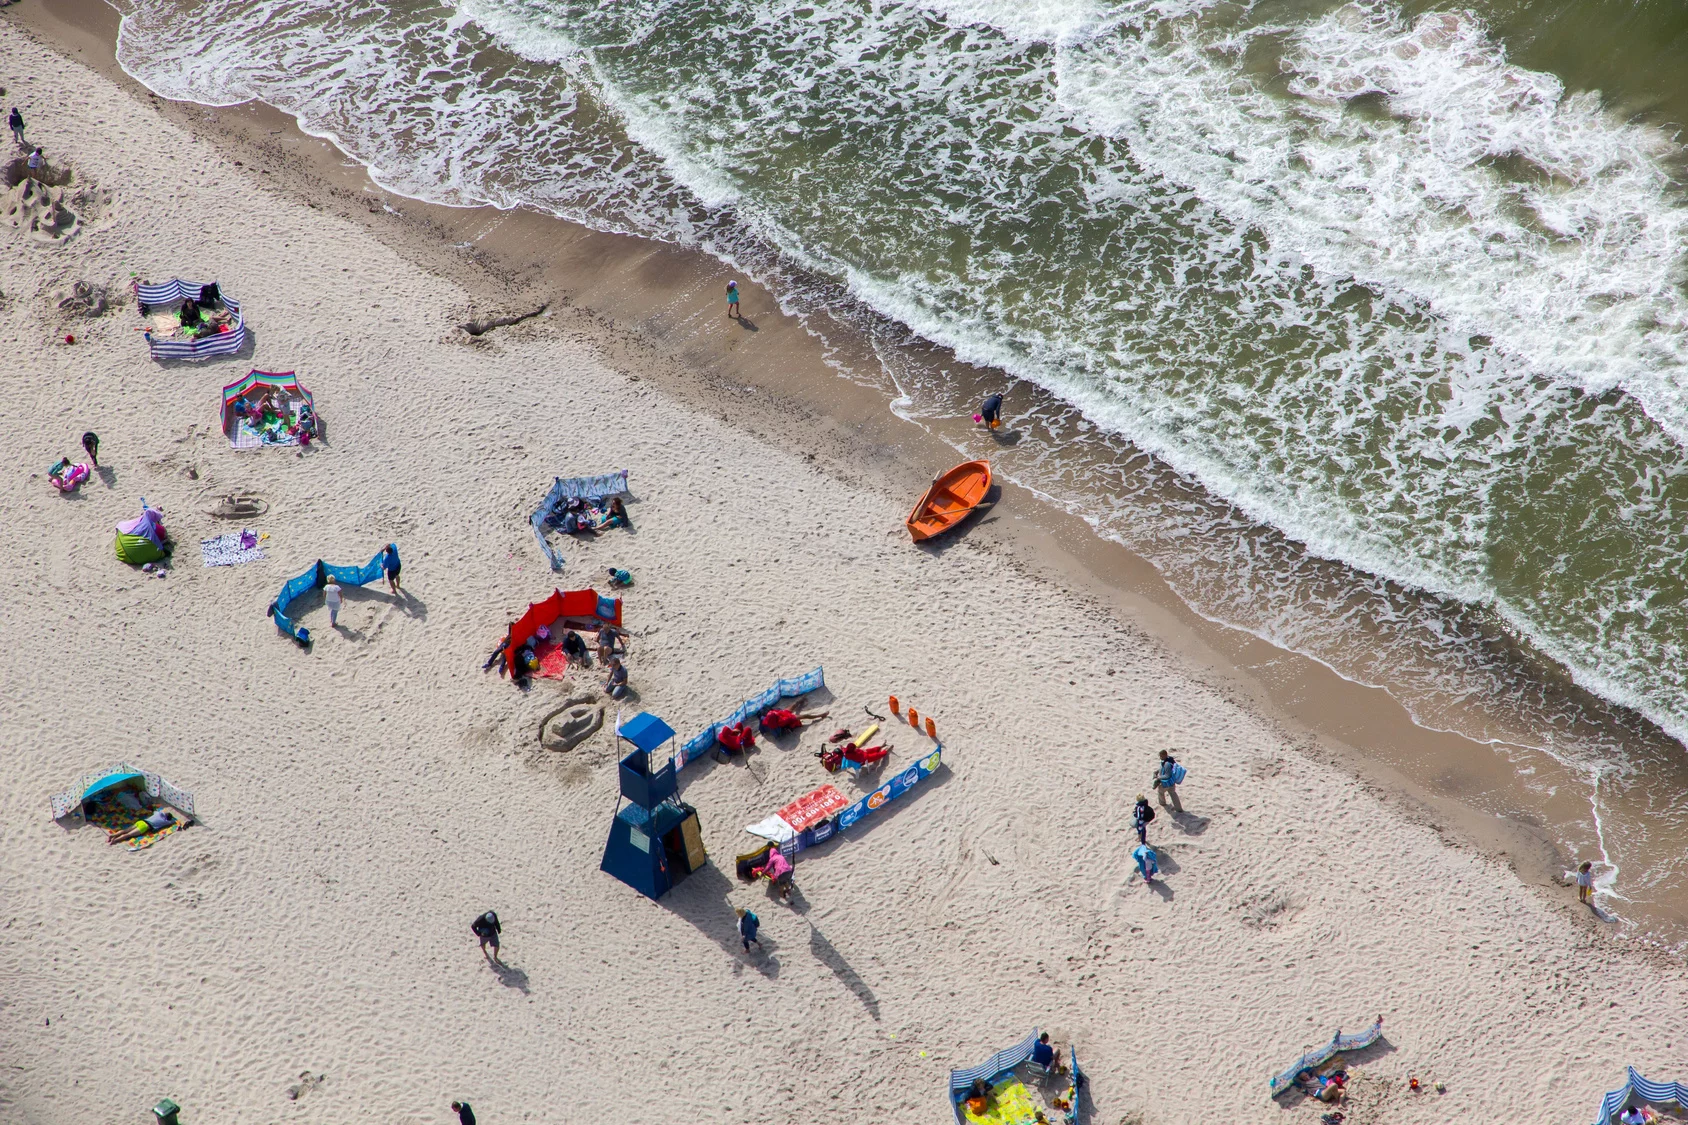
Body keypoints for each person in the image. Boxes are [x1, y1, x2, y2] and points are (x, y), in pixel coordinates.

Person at [108, 806, 189, 844]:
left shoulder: (158, 814)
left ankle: (112, 836)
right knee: (128, 835)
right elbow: (173, 822)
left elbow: (159, 810)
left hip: (141, 821)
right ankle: (114, 841)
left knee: (125, 830)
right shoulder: (165, 821)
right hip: (145, 826)